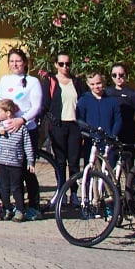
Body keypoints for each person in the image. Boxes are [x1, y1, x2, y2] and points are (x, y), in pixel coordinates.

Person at [43, 52, 86, 196]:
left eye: (67, 64)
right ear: (56, 65)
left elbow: (83, 102)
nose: (65, 67)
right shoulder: (50, 81)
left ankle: (74, 193)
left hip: (74, 125)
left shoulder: (77, 82)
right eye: (61, 64)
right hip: (58, 125)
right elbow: (45, 104)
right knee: (60, 162)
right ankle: (61, 192)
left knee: (73, 162)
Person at [0, 97, 36, 221]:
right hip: (2, 161)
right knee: (3, 187)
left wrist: (30, 161)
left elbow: (27, 145)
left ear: (8, 113)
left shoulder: (21, 128)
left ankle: (20, 210)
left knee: (16, 187)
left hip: (15, 162)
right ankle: (7, 209)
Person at [108, 61, 135, 166]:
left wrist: (133, 128)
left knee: (128, 167)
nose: (118, 78)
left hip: (128, 135)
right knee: (110, 165)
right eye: (114, 75)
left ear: (126, 75)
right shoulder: (107, 92)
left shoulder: (132, 94)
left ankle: (129, 183)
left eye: (121, 75)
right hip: (112, 135)